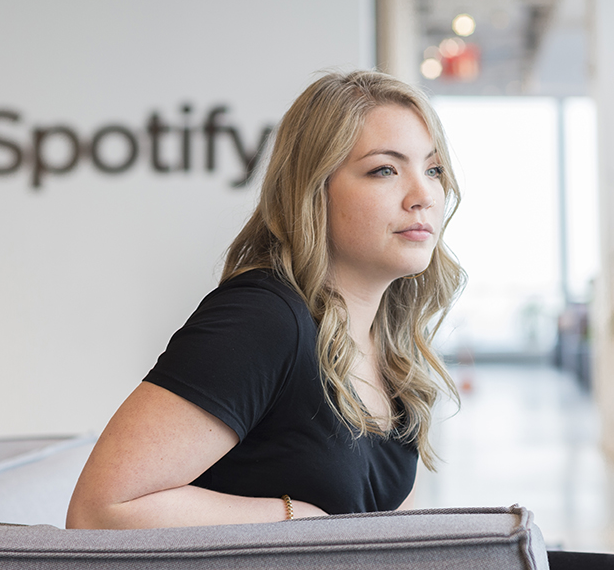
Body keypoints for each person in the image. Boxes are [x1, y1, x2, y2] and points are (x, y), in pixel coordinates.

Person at [66, 70, 464, 529]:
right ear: (315, 190)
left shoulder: (392, 346)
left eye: (433, 169)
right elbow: (97, 513)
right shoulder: (263, 320)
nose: (423, 196)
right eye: (384, 170)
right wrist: (297, 522)